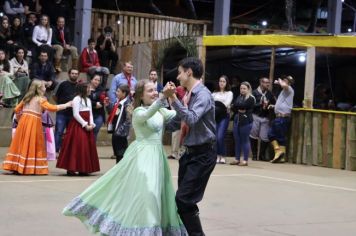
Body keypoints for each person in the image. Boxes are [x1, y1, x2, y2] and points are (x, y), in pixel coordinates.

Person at [62, 79, 187, 235]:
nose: (154, 93)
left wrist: (175, 97)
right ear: (141, 95)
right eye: (150, 90)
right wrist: (163, 98)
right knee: (150, 194)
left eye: (155, 90)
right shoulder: (138, 112)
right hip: (142, 157)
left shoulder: (161, 110)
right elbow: (149, 113)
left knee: (157, 195)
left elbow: (179, 113)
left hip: (157, 158)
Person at [163, 57, 216, 236]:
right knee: (185, 201)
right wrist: (151, 120)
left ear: (189, 72)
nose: (178, 77)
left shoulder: (203, 94)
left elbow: (191, 118)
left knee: (183, 199)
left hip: (203, 154)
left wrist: (173, 98)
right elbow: (177, 122)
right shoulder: (187, 95)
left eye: (180, 72)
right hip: (189, 154)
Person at [2, 80, 71, 175]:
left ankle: (17, 165)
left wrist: (20, 119)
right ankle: (28, 167)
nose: (45, 88)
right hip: (33, 123)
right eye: (44, 86)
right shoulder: (40, 99)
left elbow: (16, 109)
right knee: (31, 143)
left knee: (21, 143)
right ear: (39, 88)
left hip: (23, 122)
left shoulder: (26, 98)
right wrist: (67, 105)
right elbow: (52, 108)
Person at [56, 82, 100, 176]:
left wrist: (92, 123)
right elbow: (76, 114)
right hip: (78, 125)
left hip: (88, 124)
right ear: (83, 89)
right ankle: (72, 168)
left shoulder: (88, 100)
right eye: (88, 88)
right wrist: (85, 124)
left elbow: (90, 113)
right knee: (77, 145)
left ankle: (83, 168)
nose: (90, 90)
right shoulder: (76, 99)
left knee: (86, 147)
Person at [268, 75, 294, 163]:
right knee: (277, 136)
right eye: (284, 80)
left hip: (282, 117)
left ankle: (278, 152)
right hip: (279, 116)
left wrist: (279, 81)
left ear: (289, 83)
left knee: (274, 135)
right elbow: (283, 103)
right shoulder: (284, 91)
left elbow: (284, 85)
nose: (284, 81)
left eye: (286, 80)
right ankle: (281, 156)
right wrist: (274, 106)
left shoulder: (289, 88)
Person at [250, 77, 275, 161]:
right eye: (266, 82)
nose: (268, 84)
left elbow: (274, 103)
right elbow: (251, 105)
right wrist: (260, 104)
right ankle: (254, 155)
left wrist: (271, 106)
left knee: (264, 137)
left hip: (265, 117)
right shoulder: (254, 92)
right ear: (261, 83)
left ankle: (262, 155)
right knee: (253, 135)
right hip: (256, 116)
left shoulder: (270, 94)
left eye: (268, 83)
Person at [53, 68, 79, 152]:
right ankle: (55, 150)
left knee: (70, 134)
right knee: (59, 132)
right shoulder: (62, 84)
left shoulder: (79, 86)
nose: (74, 75)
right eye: (72, 73)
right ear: (69, 74)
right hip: (62, 113)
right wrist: (62, 105)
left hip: (73, 114)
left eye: (76, 73)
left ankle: (67, 152)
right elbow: (54, 96)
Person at [230, 81, 255, 166]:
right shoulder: (239, 97)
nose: (242, 90)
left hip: (246, 121)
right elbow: (234, 107)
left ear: (248, 89)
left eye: (244, 88)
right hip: (237, 120)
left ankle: (245, 160)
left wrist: (238, 106)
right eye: (241, 88)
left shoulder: (251, 98)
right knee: (237, 140)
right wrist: (238, 107)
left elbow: (243, 106)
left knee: (245, 140)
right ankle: (237, 159)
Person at [107, 84, 131, 163]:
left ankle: (122, 172)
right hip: (115, 131)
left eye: (118, 91)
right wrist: (107, 106)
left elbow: (128, 120)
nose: (116, 93)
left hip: (121, 133)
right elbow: (113, 114)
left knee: (121, 153)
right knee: (117, 153)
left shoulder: (127, 104)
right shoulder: (118, 103)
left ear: (124, 94)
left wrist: (120, 131)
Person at [212, 75, 233, 164]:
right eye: (220, 81)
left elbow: (226, 104)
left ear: (226, 83)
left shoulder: (229, 93)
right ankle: (217, 155)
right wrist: (219, 105)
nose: (221, 83)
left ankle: (223, 155)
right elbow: (211, 104)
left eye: (223, 81)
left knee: (221, 136)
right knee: (215, 137)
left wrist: (218, 104)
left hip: (224, 116)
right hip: (215, 116)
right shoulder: (214, 93)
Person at [88, 73, 107, 139]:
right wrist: (95, 104)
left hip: (99, 114)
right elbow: (85, 101)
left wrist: (100, 103)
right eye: (95, 79)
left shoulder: (102, 90)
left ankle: (92, 148)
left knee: (95, 132)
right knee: (87, 132)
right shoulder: (86, 88)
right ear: (91, 80)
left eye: (98, 80)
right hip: (87, 114)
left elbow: (104, 101)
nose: (97, 82)